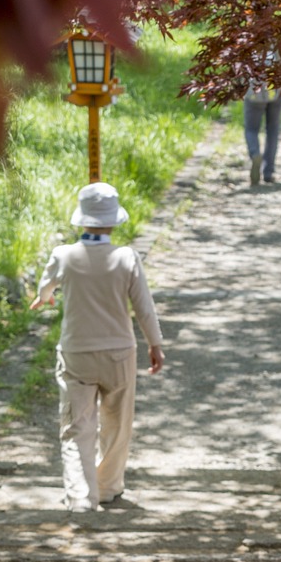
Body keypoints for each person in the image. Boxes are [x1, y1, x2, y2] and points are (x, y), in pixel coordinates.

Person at [30, 182, 166, 512]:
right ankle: (107, 487)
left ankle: (80, 495)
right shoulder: (126, 257)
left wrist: (45, 297)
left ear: (83, 219)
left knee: (77, 427)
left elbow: (45, 288)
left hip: (77, 352)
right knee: (117, 425)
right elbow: (144, 307)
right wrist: (155, 344)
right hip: (119, 353)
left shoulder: (64, 255)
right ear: (112, 221)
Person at [244, 73, 281, 185]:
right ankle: (269, 172)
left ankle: (255, 154)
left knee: (251, 129)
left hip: (254, 90)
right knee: (273, 129)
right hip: (276, 89)